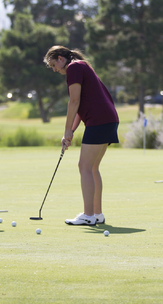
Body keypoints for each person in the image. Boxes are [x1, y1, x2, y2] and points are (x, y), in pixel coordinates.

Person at [44, 46, 119, 226]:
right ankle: (97, 214)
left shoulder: (73, 68)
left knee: (84, 166)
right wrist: (70, 131)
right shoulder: (82, 66)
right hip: (108, 120)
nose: (54, 70)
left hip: (99, 121)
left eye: (54, 65)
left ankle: (88, 215)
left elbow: (74, 101)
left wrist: (66, 129)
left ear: (61, 59)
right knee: (92, 168)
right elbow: (79, 109)